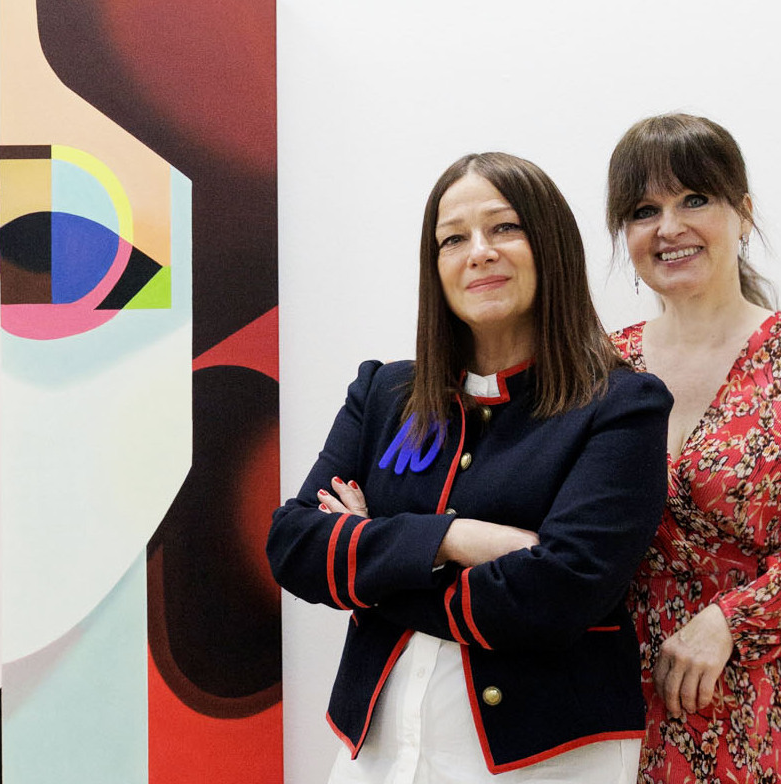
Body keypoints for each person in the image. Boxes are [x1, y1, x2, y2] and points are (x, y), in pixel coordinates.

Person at [268, 152, 672, 782]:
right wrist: (457, 539)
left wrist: (377, 559)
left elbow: (559, 595)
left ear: (551, 245)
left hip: (549, 759)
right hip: (376, 751)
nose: (478, 252)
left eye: (504, 227)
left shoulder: (623, 405)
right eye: (453, 239)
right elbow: (294, 545)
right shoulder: (383, 393)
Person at [607, 113, 781, 782]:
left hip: (763, 702)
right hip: (612, 707)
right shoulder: (601, 368)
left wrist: (730, 621)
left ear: (743, 214)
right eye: (644, 211)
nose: (669, 227)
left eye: (694, 199)